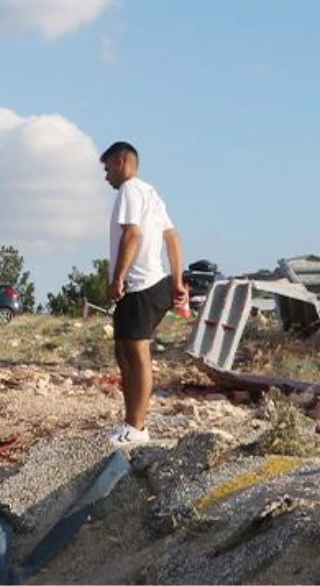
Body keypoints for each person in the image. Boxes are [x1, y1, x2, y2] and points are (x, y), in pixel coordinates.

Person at [100, 141, 188, 447]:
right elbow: (172, 237)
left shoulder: (130, 191)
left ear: (122, 162)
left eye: (108, 167)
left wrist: (118, 279)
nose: (106, 175)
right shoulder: (151, 193)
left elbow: (133, 233)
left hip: (139, 285)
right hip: (152, 284)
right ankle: (130, 424)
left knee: (136, 356)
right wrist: (176, 280)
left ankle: (136, 428)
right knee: (124, 353)